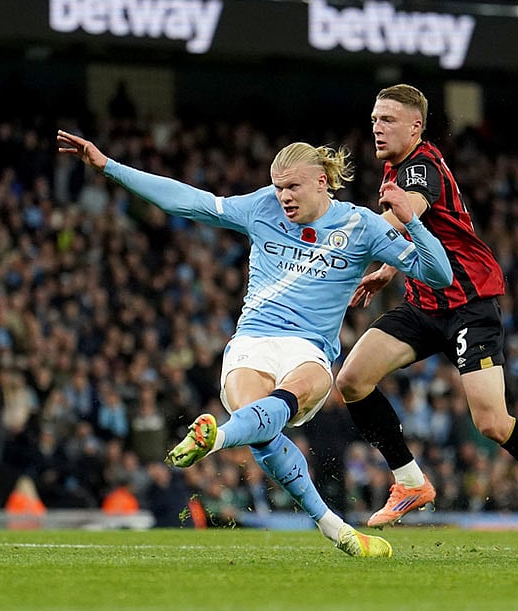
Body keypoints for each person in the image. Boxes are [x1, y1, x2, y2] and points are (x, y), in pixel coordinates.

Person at [57, 129, 454, 557]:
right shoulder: (262, 206)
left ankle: (217, 438)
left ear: (322, 181)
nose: (283, 196)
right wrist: (109, 167)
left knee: (294, 393)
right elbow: (188, 201)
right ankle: (336, 529)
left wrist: (412, 223)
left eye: (293, 187)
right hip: (253, 341)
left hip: (309, 349)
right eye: (279, 186)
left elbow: (439, 276)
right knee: (261, 427)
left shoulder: (362, 226)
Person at [333, 84, 518, 556]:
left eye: (388, 120)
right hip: (424, 304)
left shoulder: (420, 168)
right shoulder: (394, 169)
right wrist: (388, 270)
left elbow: (409, 215)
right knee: (353, 380)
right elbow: (424, 231)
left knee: (493, 423)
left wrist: (346, 248)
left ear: (415, 126)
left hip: (469, 305)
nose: (377, 126)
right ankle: (410, 481)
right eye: (375, 118)